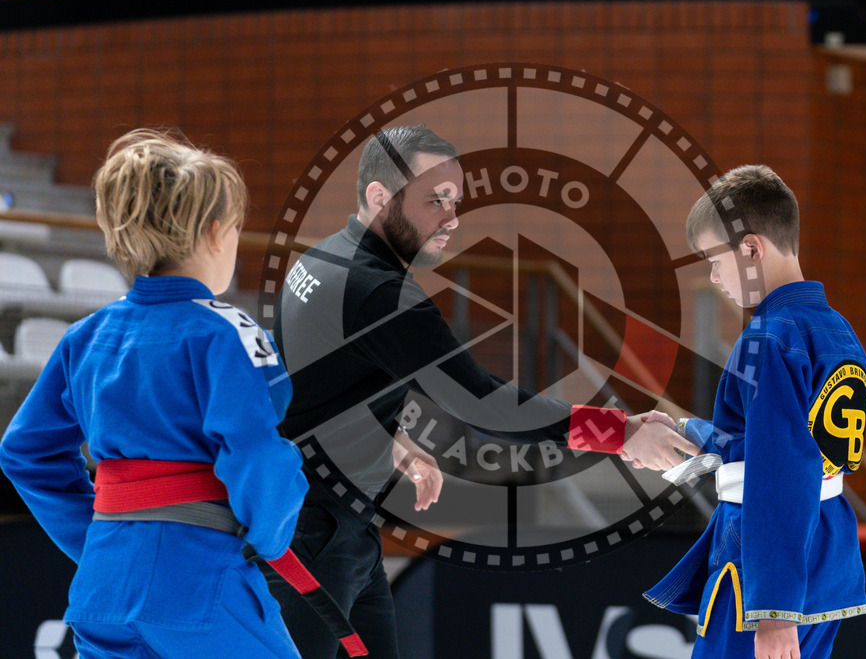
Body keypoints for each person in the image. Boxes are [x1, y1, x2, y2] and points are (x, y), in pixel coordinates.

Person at [270, 124, 689, 657]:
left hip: (327, 522)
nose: (452, 218)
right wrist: (621, 433)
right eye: (435, 200)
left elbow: (320, 382)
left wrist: (395, 438)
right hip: (317, 532)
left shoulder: (321, 258)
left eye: (455, 201)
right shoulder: (379, 291)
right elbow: (482, 401)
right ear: (379, 197)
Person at [0, 129, 308, 658]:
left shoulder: (87, 335)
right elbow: (255, 450)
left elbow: (24, 453)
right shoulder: (226, 331)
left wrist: (92, 538)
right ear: (216, 234)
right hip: (199, 580)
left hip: (103, 584)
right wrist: (272, 533)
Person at [642, 165, 866, 659]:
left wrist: (773, 611)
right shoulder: (834, 330)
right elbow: (778, 444)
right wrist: (688, 432)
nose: (713, 276)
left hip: (761, 569)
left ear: (750, 248)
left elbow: (782, 469)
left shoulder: (769, 337)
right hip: (824, 553)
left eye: (713, 259)